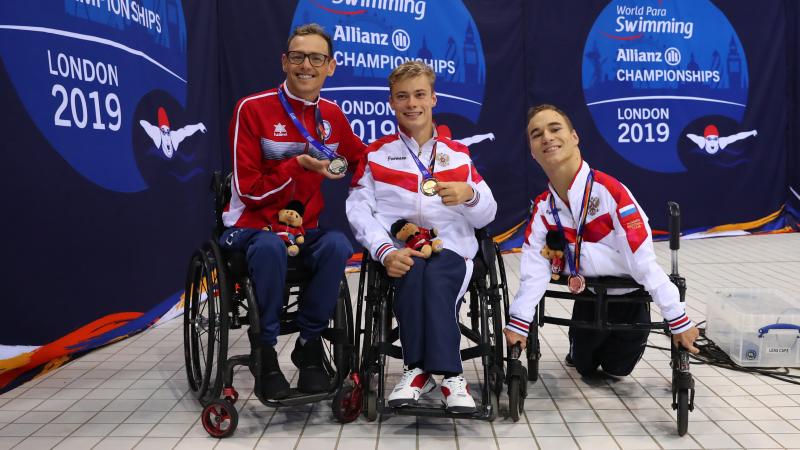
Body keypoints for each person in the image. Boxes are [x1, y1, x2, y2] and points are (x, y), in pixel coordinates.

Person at [220, 23, 366, 399]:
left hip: (302, 231)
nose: (307, 65)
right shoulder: (252, 109)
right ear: (285, 61)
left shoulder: (332, 115)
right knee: (269, 248)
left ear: (330, 66)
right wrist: (298, 164)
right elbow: (247, 190)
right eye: (298, 56)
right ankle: (265, 351)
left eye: (317, 58)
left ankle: (309, 345)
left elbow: (361, 157)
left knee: (336, 244)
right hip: (249, 226)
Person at [503, 104, 700, 377]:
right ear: (533, 152)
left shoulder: (611, 193)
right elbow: (533, 271)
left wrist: (678, 319)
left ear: (574, 138)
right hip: (588, 295)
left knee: (617, 370)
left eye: (555, 128)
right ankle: (579, 349)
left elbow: (644, 264)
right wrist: (520, 321)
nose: (546, 137)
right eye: (537, 135)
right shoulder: (543, 209)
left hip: (630, 298)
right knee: (584, 367)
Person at [346, 61, 497, 413]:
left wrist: (469, 195)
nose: (411, 103)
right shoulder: (376, 153)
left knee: (438, 274)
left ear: (433, 98)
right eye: (402, 97)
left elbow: (488, 211)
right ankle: (433, 374)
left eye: (418, 95)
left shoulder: (458, 154)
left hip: (452, 248)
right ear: (392, 103)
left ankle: (431, 373)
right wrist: (384, 251)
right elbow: (358, 208)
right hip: (399, 250)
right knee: (415, 272)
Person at [685, 125, 757, 155]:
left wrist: (751, 132)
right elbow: (691, 136)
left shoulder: (722, 142)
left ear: (718, 138)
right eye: (709, 139)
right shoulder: (701, 141)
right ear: (705, 139)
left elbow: (737, 136)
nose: (712, 142)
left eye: (715, 139)